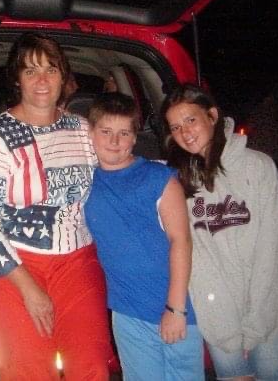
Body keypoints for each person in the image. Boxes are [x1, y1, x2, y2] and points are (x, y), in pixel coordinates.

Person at [0, 32, 112, 380]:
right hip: (11, 262)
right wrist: (27, 287)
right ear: (17, 80)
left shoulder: (81, 130)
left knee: (91, 366)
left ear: (64, 76)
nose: (42, 80)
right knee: (28, 369)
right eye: (30, 71)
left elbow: (117, 173)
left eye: (50, 69)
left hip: (76, 260)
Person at [161, 84, 278, 381]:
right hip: (219, 319)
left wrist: (256, 323)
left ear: (212, 115)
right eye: (176, 127)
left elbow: (274, 248)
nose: (185, 132)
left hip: (266, 313)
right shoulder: (180, 181)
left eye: (191, 120)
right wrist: (224, 324)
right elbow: (197, 256)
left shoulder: (258, 167)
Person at [84, 92, 204, 381]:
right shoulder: (82, 182)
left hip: (174, 307)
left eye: (124, 132)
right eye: (106, 131)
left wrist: (175, 308)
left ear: (135, 138)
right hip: (127, 314)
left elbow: (181, 241)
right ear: (90, 134)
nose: (114, 141)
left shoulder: (158, 178)